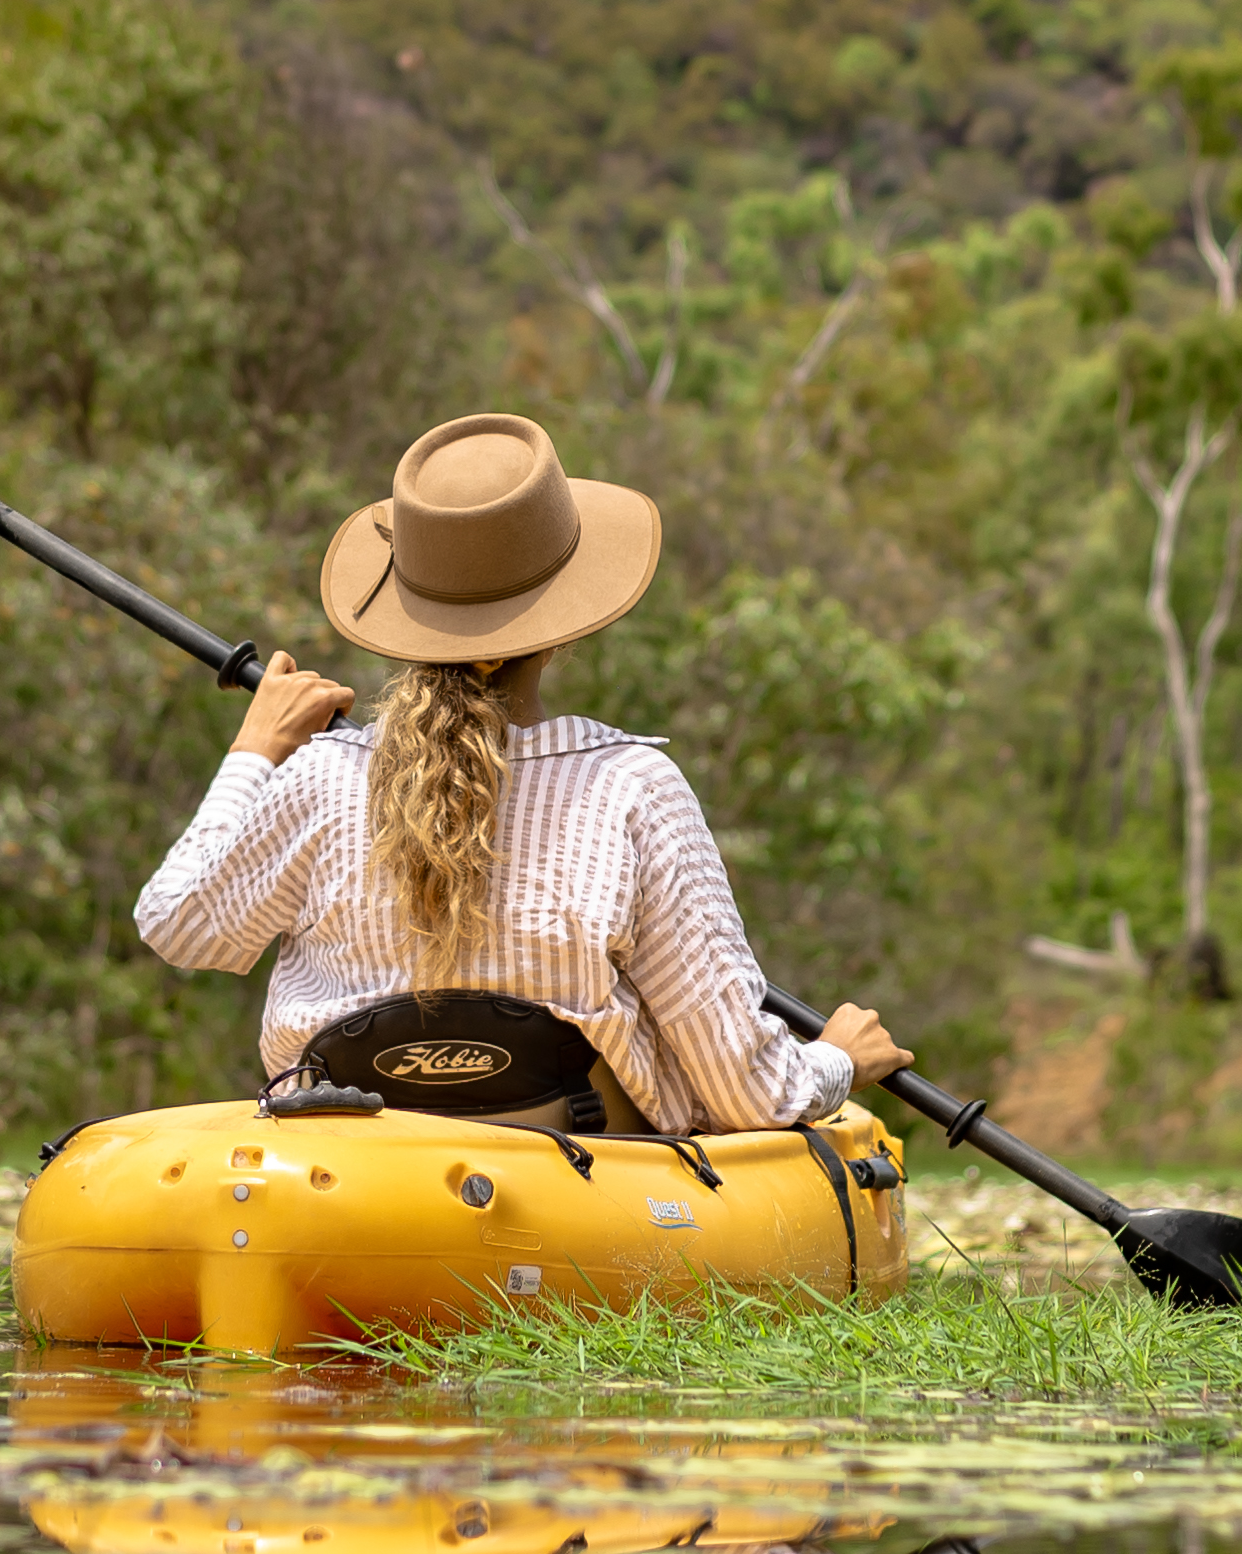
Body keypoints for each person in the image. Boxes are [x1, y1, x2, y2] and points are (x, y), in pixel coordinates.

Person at [136, 410, 899, 1128]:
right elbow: (745, 1096)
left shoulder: (319, 778)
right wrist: (835, 1058)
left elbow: (180, 928)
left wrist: (255, 749)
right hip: (581, 1184)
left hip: (344, 1177)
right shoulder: (633, 788)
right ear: (559, 625)